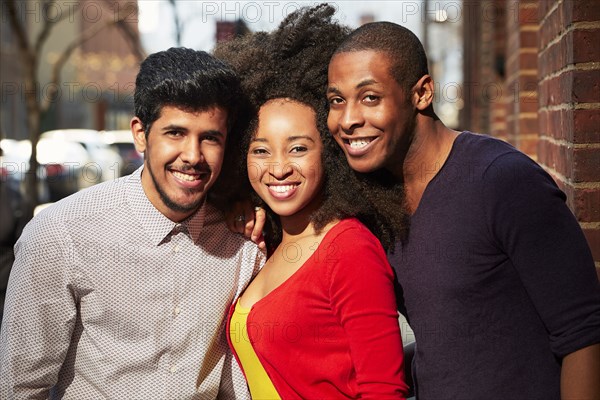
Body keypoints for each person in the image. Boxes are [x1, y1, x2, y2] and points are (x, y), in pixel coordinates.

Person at [325, 21, 600, 399]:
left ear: (421, 93)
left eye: (369, 97)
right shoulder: (374, 203)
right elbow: (449, 344)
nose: (347, 119)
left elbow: (584, 336)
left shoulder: (502, 180)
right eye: (336, 100)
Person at [0, 48, 264, 399]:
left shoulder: (241, 241)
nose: (193, 155)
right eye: (175, 133)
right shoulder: (60, 236)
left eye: (209, 137)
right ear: (140, 134)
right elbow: (19, 388)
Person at [215, 5, 409, 399]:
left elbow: (383, 389)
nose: (279, 168)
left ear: (329, 153)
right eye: (260, 151)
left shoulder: (349, 250)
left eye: (299, 148)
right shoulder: (265, 242)